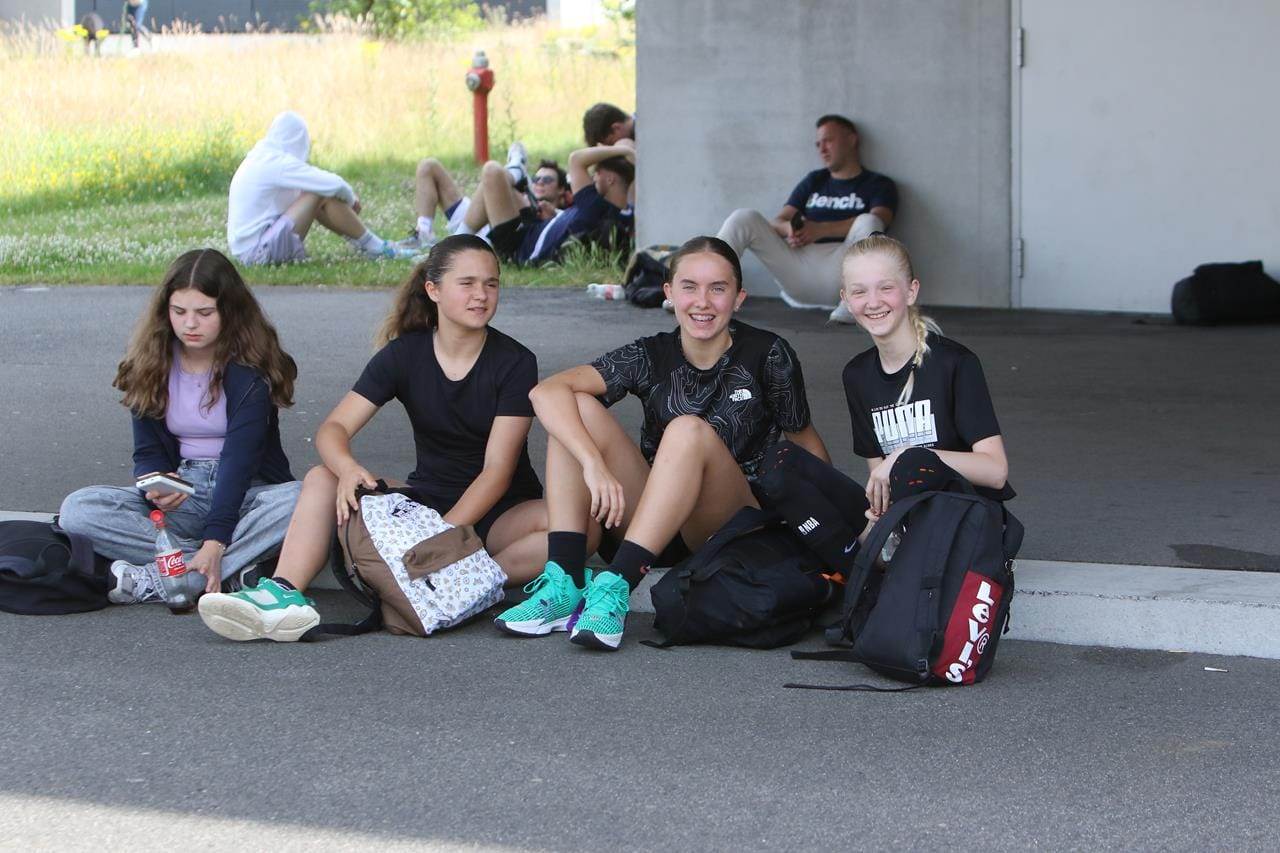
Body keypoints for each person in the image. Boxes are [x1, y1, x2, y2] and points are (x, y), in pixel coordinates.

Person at [197, 235, 550, 642]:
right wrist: (348, 469)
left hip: (501, 512)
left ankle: (471, 581)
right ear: (433, 290)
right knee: (323, 477)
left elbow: (497, 472)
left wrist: (443, 539)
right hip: (426, 502)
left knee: (574, 528)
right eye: (467, 283)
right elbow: (333, 429)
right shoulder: (404, 354)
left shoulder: (515, 361)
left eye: (491, 284)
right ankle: (282, 593)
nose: (481, 295)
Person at [493, 236, 829, 651]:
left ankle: (616, 584)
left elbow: (804, 442)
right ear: (669, 293)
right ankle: (564, 581)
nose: (702, 302)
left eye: (718, 288)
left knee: (687, 430)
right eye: (689, 287)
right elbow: (545, 392)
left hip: (727, 528)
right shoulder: (650, 354)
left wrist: (829, 536)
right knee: (572, 406)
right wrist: (593, 463)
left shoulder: (769, 354)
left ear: (738, 297)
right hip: (653, 522)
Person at [756, 234, 1013, 587]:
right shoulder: (857, 375)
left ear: (911, 291)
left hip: (959, 517)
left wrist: (907, 455)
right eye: (859, 291)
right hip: (901, 518)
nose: (873, 302)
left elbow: (995, 471)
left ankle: (864, 569)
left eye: (886, 288)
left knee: (910, 466)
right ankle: (858, 572)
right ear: (846, 300)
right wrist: (876, 521)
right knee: (781, 462)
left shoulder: (954, 363)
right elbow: (878, 480)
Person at [58, 249, 302, 604]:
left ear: (230, 311)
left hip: (246, 494)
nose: (190, 324)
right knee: (78, 510)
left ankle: (172, 575)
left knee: (305, 500)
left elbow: (239, 462)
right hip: (184, 492)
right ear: (165, 311)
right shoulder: (150, 363)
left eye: (204, 313)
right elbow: (147, 453)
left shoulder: (251, 372)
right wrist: (155, 482)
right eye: (179, 312)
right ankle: (215, 566)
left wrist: (216, 539)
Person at [717, 114, 898, 324]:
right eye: (818, 144)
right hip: (798, 268)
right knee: (744, 217)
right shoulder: (815, 180)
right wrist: (789, 229)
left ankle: (855, 302)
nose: (822, 149)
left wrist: (821, 229)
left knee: (868, 221)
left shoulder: (878, 184)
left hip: (843, 269)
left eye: (828, 141)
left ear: (851, 140)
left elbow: (880, 220)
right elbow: (777, 221)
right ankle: (705, 291)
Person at [226, 111, 416, 266]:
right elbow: (333, 184)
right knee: (319, 192)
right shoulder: (275, 162)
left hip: (250, 253)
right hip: (259, 254)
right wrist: (351, 200)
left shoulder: (261, 157)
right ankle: (376, 247)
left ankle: (367, 244)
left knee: (313, 193)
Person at [463, 141, 634, 267]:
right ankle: (517, 172)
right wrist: (556, 215)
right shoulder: (626, 213)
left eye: (597, 173)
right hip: (534, 227)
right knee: (507, 186)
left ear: (610, 179)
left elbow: (576, 159)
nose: (593, 177)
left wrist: (624, 150)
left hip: (519, 248)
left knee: (492, 172)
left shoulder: (595, 205)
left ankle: (517, 169)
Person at [403, 143, 574, 251]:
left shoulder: (560, 215)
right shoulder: (522, 194)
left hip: (498, 228)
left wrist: (553, 213)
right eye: (536, 179)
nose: (541, 182)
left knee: (493, 171)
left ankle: (516, 169)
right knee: (428, 166)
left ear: (561, 190)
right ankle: (424, 233)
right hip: (476, 216)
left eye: (547, 180)